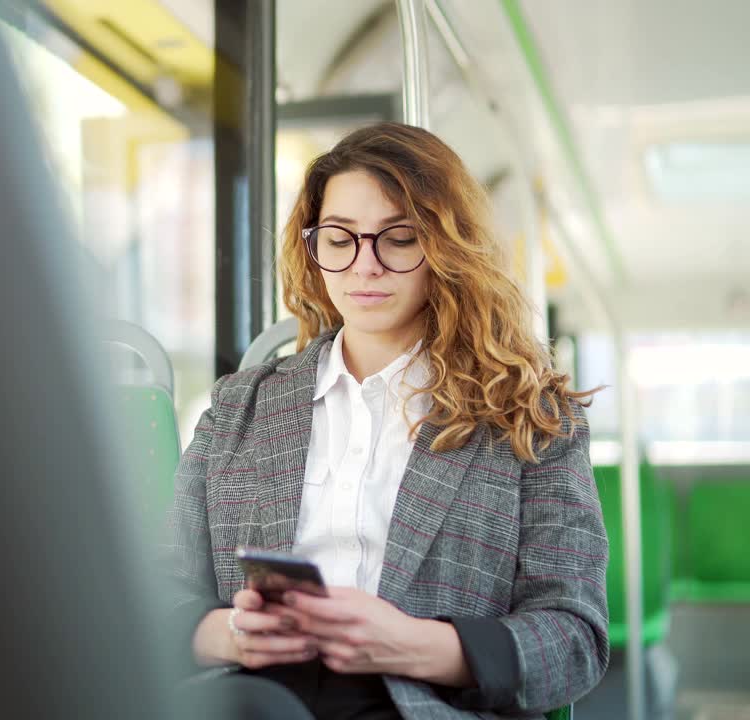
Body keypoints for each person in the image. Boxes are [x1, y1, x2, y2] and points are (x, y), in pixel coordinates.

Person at [164, 122, 608, 719]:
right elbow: (154, 592)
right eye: (340, 239)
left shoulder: (530, 420)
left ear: (445, 250)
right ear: (312, 247)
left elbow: (575, 640)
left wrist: (415, 646)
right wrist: (226, 633)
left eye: (397, 239)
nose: (364, 266)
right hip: (250, 697)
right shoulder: (238, 410)